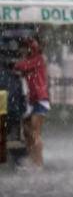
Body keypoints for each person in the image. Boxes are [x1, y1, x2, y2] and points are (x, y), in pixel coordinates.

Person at [13, 35, 49, 169]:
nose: (23, 51)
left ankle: (38, 163)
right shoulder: (31, 60)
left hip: (40, 99)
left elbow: (20, 66)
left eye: (25, 48)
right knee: (27, 132)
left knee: (35, 132)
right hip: (32, 100)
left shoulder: (37, 59)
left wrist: (16, 63)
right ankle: (32, 159)